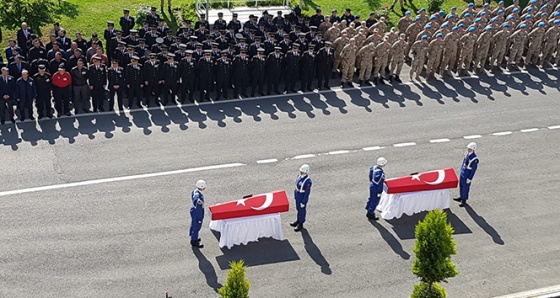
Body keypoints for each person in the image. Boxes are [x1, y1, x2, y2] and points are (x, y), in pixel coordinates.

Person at [454, 142, 479, 207]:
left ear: (473, 149)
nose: (469, 150)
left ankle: (464, 200)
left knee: (465, 187)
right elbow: (464, 162)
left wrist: (470, 178)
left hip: (467, 174)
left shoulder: (474, 159)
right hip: (463, 172)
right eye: (468, 148)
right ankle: (461, 196)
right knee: (461, 185)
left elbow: (473, 170)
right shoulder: (467, 154)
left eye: (470, 149)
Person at [290, 164, 312, 232]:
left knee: (302, 210)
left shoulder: (308, 181)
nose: (301, 173)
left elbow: (307, 193)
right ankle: (298, 220)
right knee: (298, 209)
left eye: (302, 172)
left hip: (302, 197)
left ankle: (301, 223)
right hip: (298, 195)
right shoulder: (299, 177)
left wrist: (304, 201)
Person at [190, 180, 207, 248]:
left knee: (194, 224)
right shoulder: (198, 195)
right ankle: (194, 240)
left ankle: (193, 236)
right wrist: (198, 201)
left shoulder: (195, 191)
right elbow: (196, 199)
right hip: (198, 211)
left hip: (194, 210)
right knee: (197, 226)